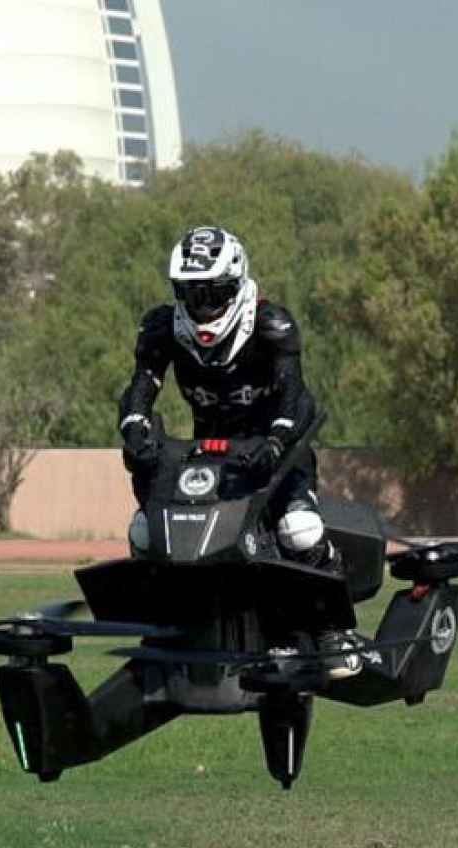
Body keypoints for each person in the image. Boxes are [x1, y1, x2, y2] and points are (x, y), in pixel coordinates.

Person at [117, 225, 359, 676]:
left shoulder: (272, 326)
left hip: (277, 449)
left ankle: (334, 632)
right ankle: (169, 630)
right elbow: (140, 389)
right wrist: (133, 429)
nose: (203, 306)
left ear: (236, 283)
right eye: (192, 294)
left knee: (299, 531)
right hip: (210, 455)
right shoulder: (160, 328)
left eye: (214, 293)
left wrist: (276, 441)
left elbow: (293, 395)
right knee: (147, 534)